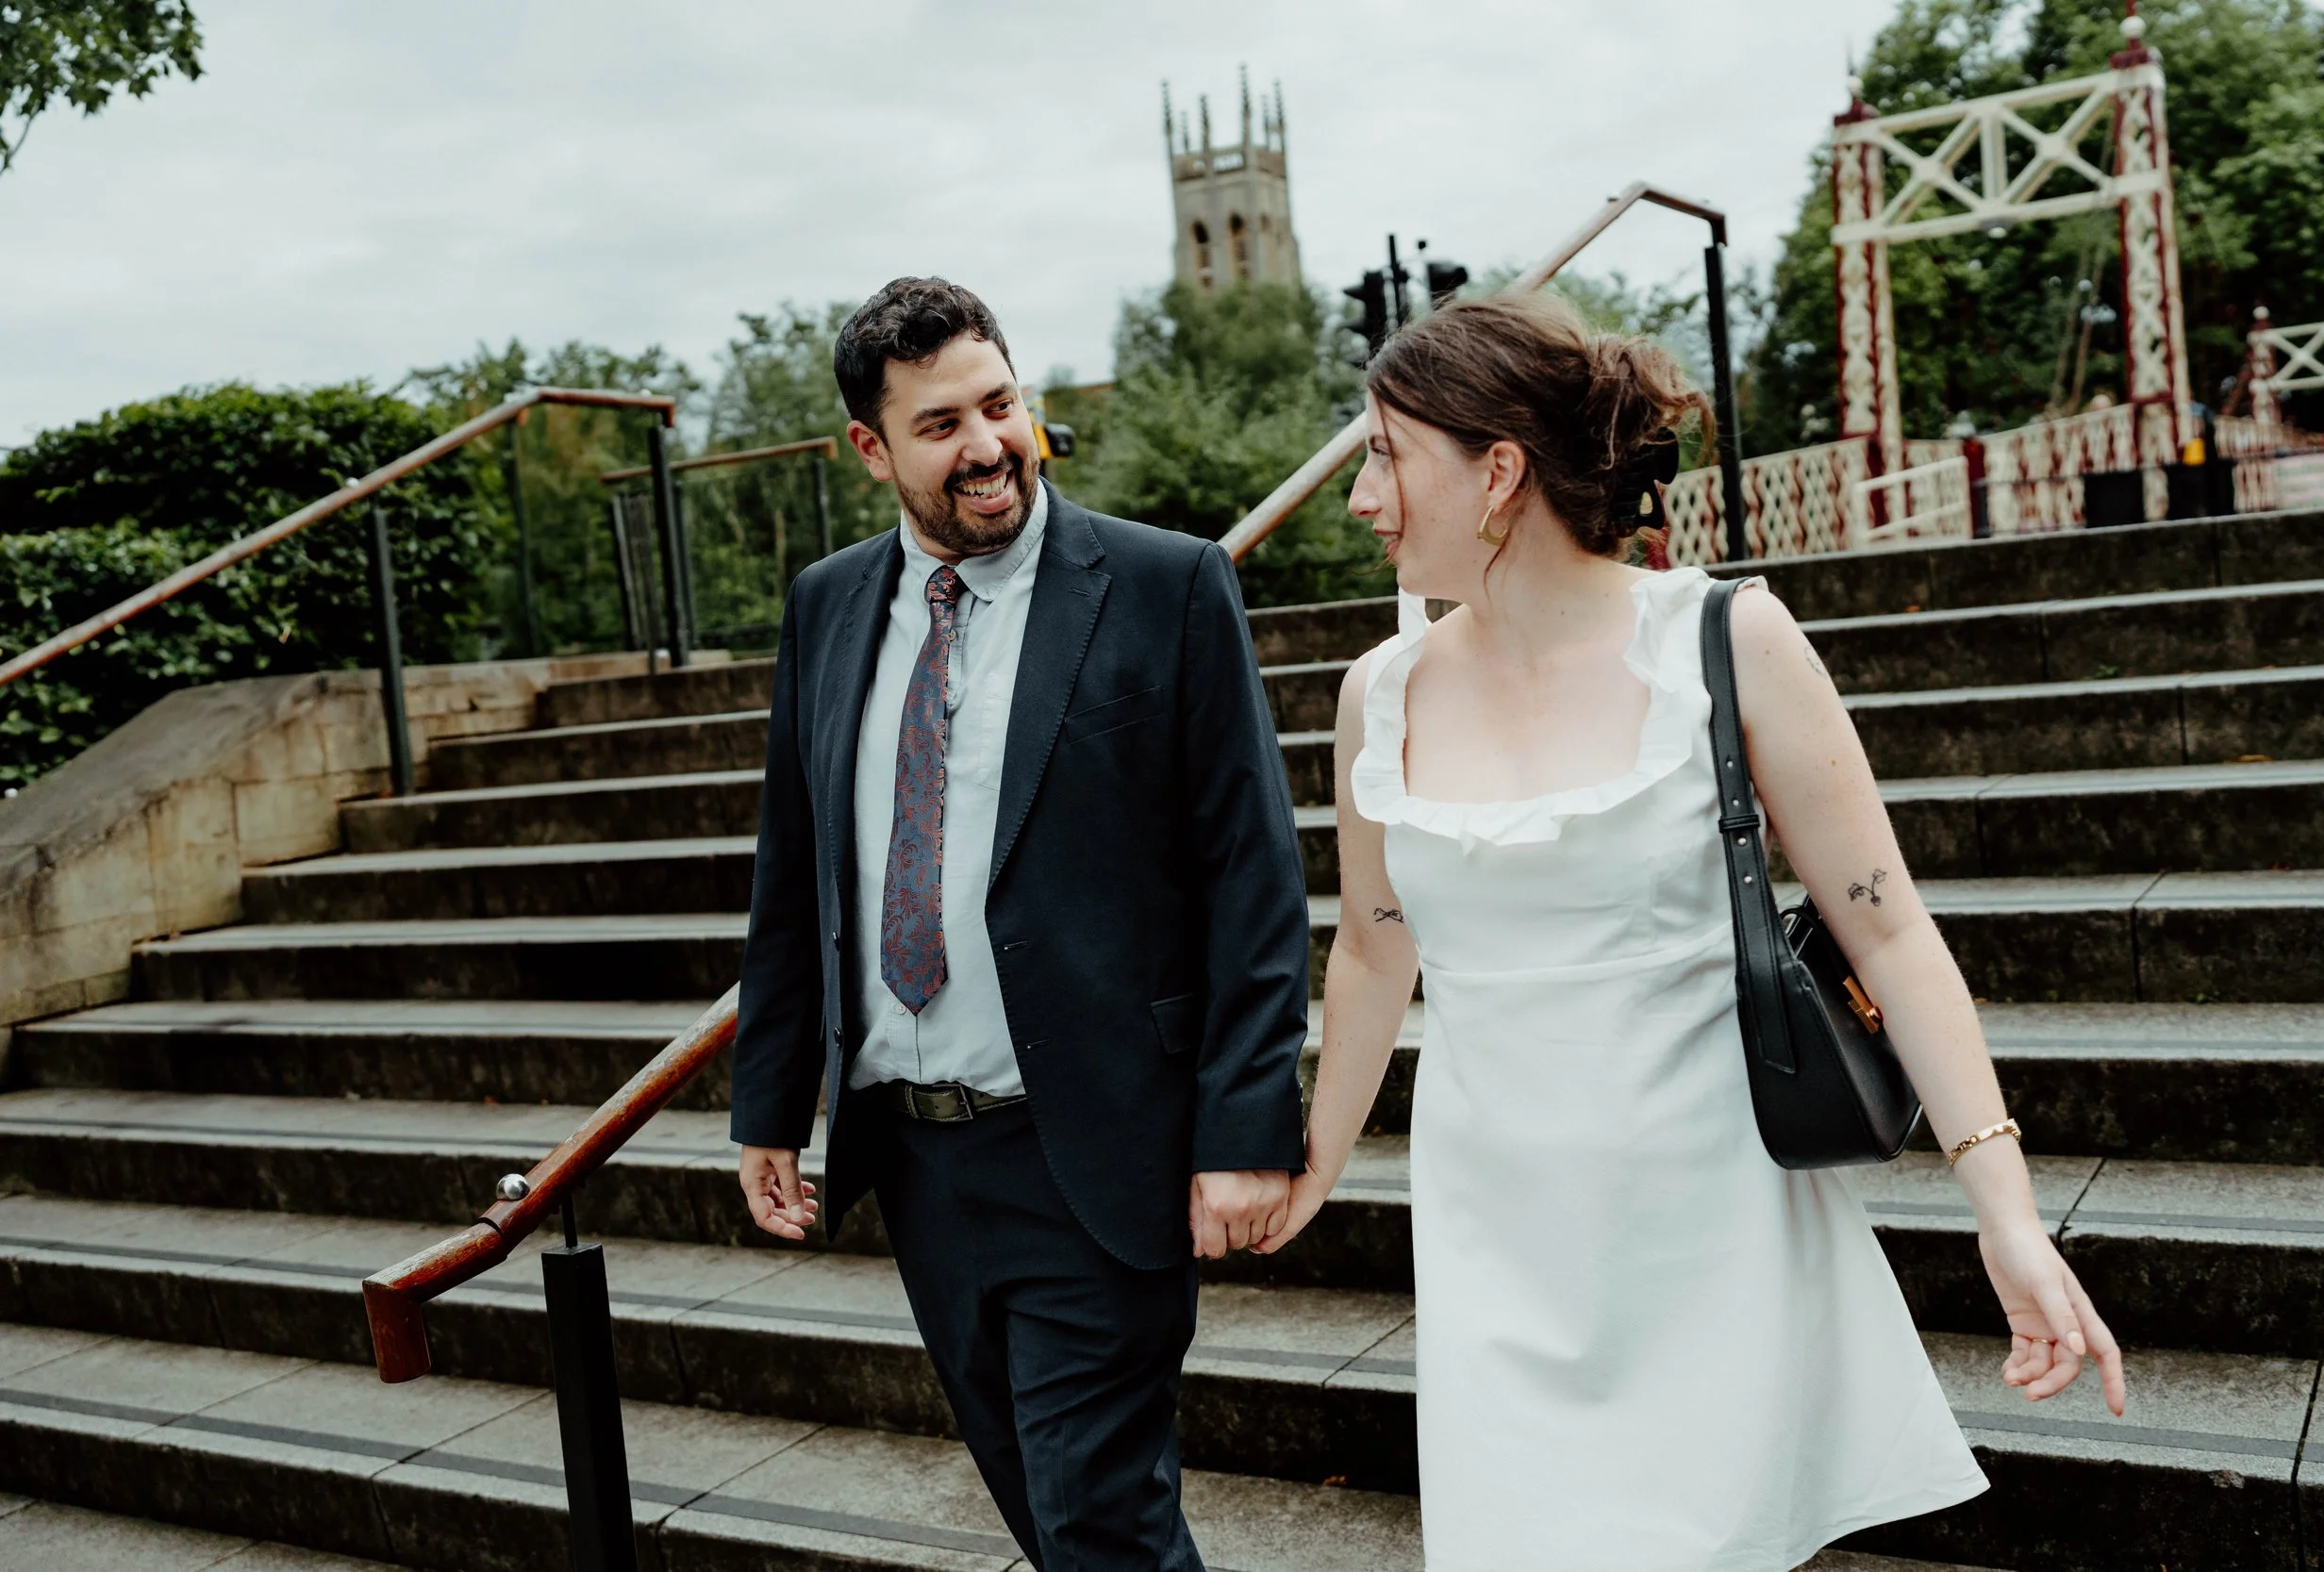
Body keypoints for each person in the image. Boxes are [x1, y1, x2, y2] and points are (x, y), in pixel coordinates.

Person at [1255, 292, 2129, 1570]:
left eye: (1385, 454)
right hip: (1492, 1231)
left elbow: (1884, 932)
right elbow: (1377, 949)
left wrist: (2004, 1205)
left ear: (1497, 470)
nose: (1360, 497)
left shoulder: (1726, 640)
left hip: (1708, 1225)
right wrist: (1314, 1162)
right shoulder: (1376, 693)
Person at [728, 276, 1309, 1572]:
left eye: (1000, 404)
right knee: (1050, 1517)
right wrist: (773, 1097)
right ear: (870, 450)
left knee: (1098, 1513)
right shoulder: (828, 607)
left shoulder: (1168, 587)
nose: (989, 445)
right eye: (941, 425)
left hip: (1094, 1147)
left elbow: (1253, 878)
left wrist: (1245, 1125)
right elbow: (796, 869)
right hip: (919, 1164)